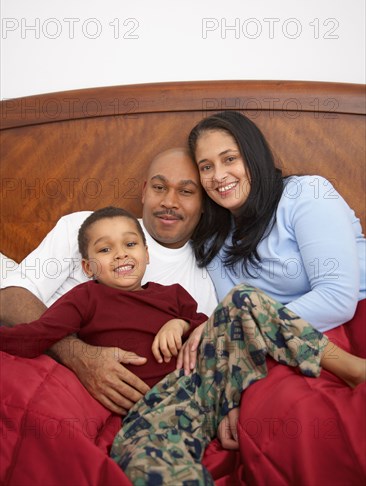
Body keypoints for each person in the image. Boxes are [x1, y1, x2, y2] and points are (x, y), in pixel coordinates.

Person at [1, 206, 364, 485]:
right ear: (88, 266)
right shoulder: (85, 299)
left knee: (240, 299)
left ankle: (351, 367)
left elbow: (208, 329)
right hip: (158, 406)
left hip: (203, 379)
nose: (122, 255)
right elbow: (38, 333)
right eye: (106, 249)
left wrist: (182, 324)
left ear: (145, 252)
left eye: (130, 244)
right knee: (145, 462)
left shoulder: (173, 295)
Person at [184, 109, 366, 447]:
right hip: (279, 345)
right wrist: (231, 399)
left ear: (253, 155)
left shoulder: (306, 194)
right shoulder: (213, 243)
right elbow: (235, 315)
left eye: (230, 159)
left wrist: (241, 328)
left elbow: (338, 299)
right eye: (206, 166)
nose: (219, 175)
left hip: (356, 318)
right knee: (276, 420)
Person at [0, 148, 218, 415]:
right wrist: (78, 355)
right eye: (159, 187)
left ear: (204, 203)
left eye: (186, 191)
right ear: (143, 191)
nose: (169, 201)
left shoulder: (200, 281)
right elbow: (10, 296)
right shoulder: (86, 229)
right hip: (55, 384)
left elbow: (206, 354)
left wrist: (180, 323)